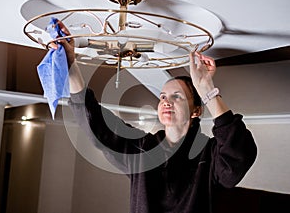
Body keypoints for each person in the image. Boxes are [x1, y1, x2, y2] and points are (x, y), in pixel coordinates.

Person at [56, 20, 257, 213]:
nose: (166, 102)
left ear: (196, 110)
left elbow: (239, 155)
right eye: (162, 97)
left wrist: (207, 89)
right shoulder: (141, 148)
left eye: (176, 96)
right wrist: (71, 62)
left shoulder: (209, 156)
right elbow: (95, 122)